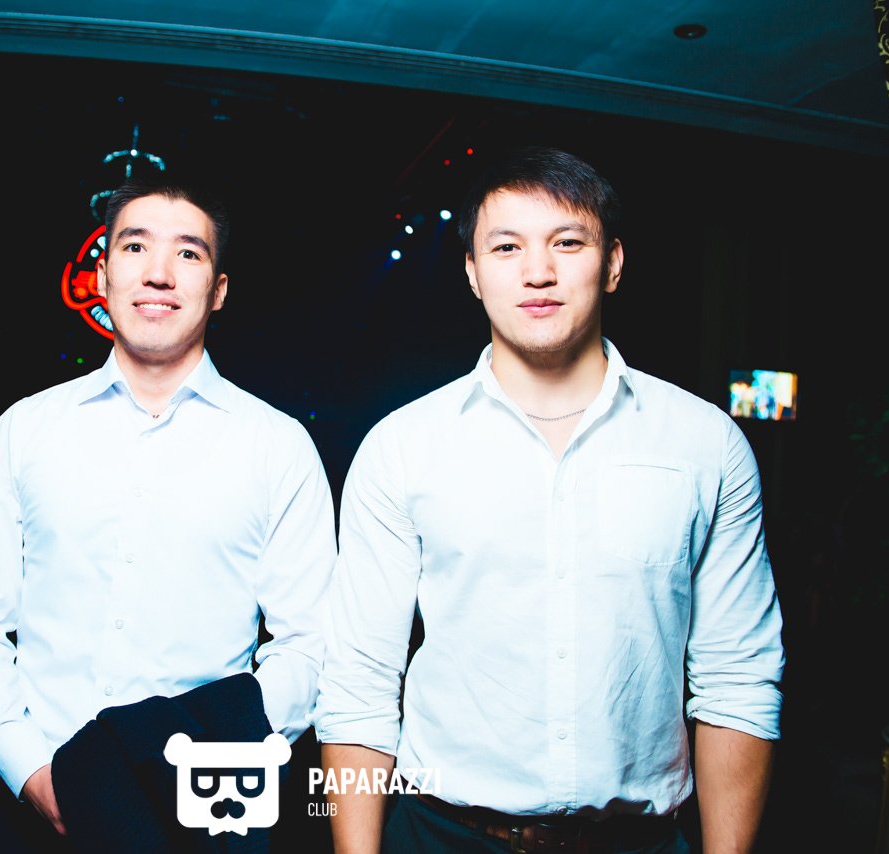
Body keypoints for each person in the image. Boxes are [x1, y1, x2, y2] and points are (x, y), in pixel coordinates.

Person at [313, 146, 784, 854]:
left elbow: (737, 677)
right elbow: (359, 681)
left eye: (567, 242)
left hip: (638, 842)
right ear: (472, 272)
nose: (537, 271)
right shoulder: (402, 447)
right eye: (506, 247)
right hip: (441, 835)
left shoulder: (705, 444)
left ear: (613, 262)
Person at [0, 174, 337, 853]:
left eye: (188, 253)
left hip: (202, 810)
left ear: (218, 289)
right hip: (33, 802)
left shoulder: (277, 445)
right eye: (135, 247)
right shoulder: (26, 430)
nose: (158, 273)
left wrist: (214, 754)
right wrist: (32, 771)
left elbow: (310, 644)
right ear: (102, 276)